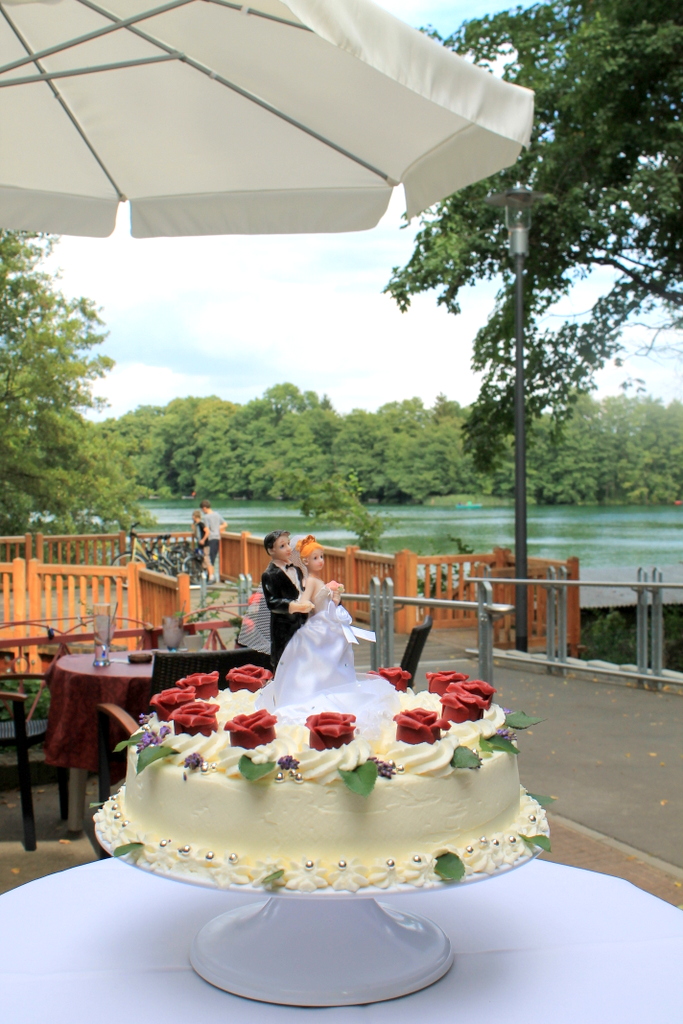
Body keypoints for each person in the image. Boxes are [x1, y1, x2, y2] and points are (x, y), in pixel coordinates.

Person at [258, 535, 399, 736]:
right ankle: (304, 695)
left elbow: (317, 601)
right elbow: (301, 601)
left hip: (324, 624)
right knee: (312, 663)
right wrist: (300, 606)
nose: (321, 561)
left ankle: (337, 687)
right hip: (309, 626)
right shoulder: (290, 577)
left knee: (335, 659)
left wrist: (335, 597)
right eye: (316, 558)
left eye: (322, 557)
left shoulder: (302, 573)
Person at [261, 530, 314, 669]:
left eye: (288, 544)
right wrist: (293, 606)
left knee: (304, 659)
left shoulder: (296, 570)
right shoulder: (270, 575)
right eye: (282, 546)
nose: (289, 549)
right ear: (271, 550)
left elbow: (301, 591)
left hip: (301, 623)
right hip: (283, 627)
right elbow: (272, 602)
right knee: (284, 660)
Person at [200, 500, 226, 583]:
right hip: (217, 538)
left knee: (209, 558)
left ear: (204, 508)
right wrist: (217, 529)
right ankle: (212, 576)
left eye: (202, 509)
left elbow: (207, 530)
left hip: (210, 539)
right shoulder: (217, 514)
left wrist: (203, 540)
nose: (202, 511)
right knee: (213, 557)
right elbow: (225, 524)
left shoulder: (206, 517)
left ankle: (211, 577)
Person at [191, 509, 211, 577]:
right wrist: (193, 529)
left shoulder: (201, 524)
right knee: (201, 559)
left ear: (195, 516)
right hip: (200, 545)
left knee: (206, 559)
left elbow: (207, 532)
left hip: (205, 544)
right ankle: (204, 575)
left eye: (193, 516)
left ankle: (210, 575)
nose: (192, 517)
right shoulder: (196, 525)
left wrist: (203, 540)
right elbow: (196, 535)